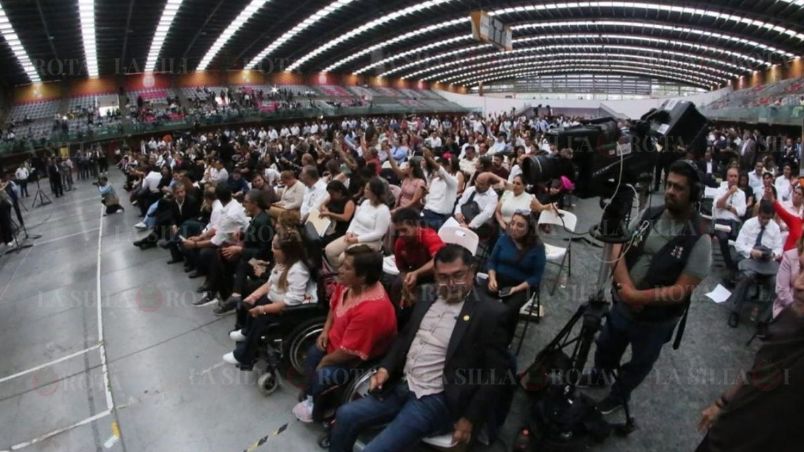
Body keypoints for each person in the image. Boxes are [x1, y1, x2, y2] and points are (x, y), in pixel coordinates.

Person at [328, 244, 511, 452]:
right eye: (443, 277)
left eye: (458, 275)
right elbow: (405, 336)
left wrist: (469, 419)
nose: (451, 284)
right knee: (345, 415)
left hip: (437, 398)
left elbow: (495, 374)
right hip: (403, 384)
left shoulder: (490, 313)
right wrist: (386, 368)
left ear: (471, 271)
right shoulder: (427, 294)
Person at [583, 160, 712, 414]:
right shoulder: (649, 213)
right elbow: (618, 244)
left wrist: (637, 296)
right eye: (669, 185)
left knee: (639, 363)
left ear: (694, 194)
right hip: (623, 304)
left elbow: (681, 290)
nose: (671, 192)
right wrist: (627, 290)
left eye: (679, 188)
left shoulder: (701, 239)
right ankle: (600, 375)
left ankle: (618, 396)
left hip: (656, 320)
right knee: (606, 345)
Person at [696, 263, 804, 452]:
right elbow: (759, 368)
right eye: (802, 269)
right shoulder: (792, 315)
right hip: (724, 435)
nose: (797, 283)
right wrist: (722, 403)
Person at [292, 245, 397, 423]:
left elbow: (350, 352)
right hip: (336, 342)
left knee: (322, 372)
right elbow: (334, 307)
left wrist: (325, 361)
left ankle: (320, 407)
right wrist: (325, 331)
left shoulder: (370, 310)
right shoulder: (347, 285)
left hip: (355, 359)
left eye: (346, 268)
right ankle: (311, 394)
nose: (339, 270)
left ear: (362, 276)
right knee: (313, 354)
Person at [224, 230, 316, 367]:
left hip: (290, 310)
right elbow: (270, 283)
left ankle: (244, 356)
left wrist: (263, 309)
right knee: (250, 302)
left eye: (275, 248)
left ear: (287, 251)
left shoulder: (298, 270)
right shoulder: (281, 262)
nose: (271, 250)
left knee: (261, 317)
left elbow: (292, 301)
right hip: (275, 298)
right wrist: (254, 296)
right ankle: (246, 332)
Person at [726, 200, 782, 328]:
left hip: (767, 263)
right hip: (751, 259)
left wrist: (773, 254)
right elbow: (739, 245)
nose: (765, 221)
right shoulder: (749, 224)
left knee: (776, 282)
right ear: (758, 214)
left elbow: (779, 248)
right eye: (762, 217)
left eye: (768, 218)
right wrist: (752, 251)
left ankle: (764, 318)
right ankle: (735, 311)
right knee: (747, 276)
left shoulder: (775, 228)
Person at [486, 212, 546, 328]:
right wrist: (492, 279)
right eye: (512, 223)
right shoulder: (504, 239)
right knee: (480, 299)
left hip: (522, 286)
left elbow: (536, 277)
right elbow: (492, 261)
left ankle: (502, 339)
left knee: (509, 311)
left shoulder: (537, 247)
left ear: (529, 229)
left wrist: (515, 289)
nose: (514, 227)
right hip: (498, 279)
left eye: (520, 225)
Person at [324, 177, 391, 269]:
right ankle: (340, 274)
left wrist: (357, 239)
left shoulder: (383, 210)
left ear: (375, 192)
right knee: (329, 250)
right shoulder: (365, 202)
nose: (364, 190)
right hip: (353, 235)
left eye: (367, 189)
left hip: (370, 241)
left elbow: (379, 233)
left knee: (342, 258)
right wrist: (349, 232)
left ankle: (348, 275)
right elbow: (355, 219)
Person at [391, 207, 445, 310]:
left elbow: (439, 261)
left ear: (416, 226)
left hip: (436, 275)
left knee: (423, 294)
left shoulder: (429, 235)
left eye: (404, 230)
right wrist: (406, 282)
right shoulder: (400, 243)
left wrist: (416, 273)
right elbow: (402, 268)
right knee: (397, 285)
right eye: (398, 231)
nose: (401, 234)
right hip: (416, 274)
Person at [712, 167, 746, 274]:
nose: (733, 179)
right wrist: (729, 193)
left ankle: (738, 265)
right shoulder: (720, 190)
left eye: (735, 176)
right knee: (723, 238)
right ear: (727, 177)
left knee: (742, 241)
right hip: (721, 223)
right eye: (731, 176)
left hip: (734, 224)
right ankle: (730, 266)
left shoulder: (742, 193)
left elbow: (741, 212)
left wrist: (726, 206)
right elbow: (717, 205)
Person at [421, 148, 458, 231]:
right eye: (435, 168)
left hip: (439, 217)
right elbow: (427, 201)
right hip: (426, 212)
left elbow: (442, 172)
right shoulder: (434, 181)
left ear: (448, 167)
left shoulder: (453, 181)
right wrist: (424, 195)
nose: (436, 170)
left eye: (438, 167)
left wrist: (429, 158)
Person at [317, 180, 355, 247]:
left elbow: (346, 218)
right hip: (329, 225)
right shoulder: (332, 198)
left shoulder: (349, 202)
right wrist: (325, 209)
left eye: (332, 194)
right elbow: (322, 205)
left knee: (319, 241)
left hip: (340, 229)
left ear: (340, 192)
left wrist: (329, 214)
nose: (331, 196)